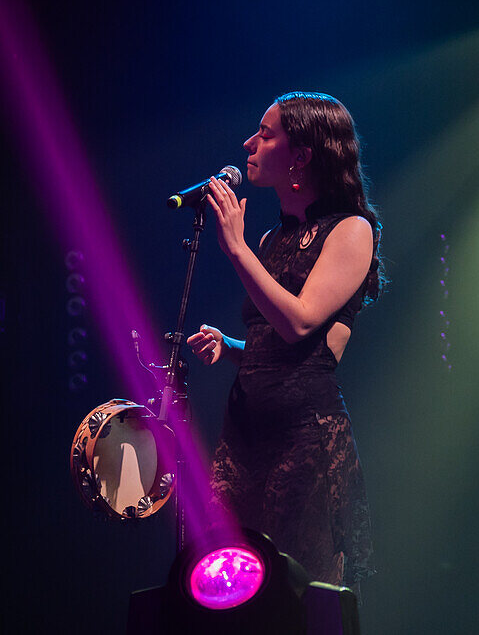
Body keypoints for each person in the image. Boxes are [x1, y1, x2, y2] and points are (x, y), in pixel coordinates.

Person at [187, 91, 383, 588]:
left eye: (266, 134)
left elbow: (300, 323)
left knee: (294, 592)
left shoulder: (351, 231)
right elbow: (277, 344)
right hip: (246, 433)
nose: (248, 143)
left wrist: (234, 247)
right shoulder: (271, 241)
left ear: (301, 156)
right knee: (228, 581)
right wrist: (232, 346)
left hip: (304, 440)